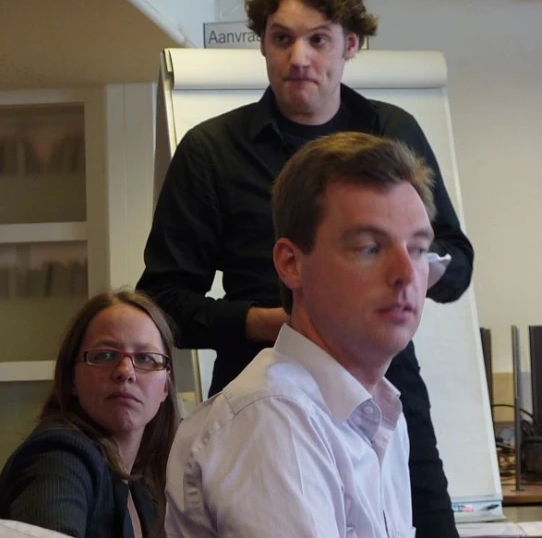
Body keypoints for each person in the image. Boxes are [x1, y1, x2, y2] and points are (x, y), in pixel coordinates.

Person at [138, 0, 474, 537]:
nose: (299, 58)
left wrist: (408, 273)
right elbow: (162, 303)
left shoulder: (391, 131)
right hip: (270, 381)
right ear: (262, 47)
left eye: (318, 40)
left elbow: (458, 261)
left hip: (381, 382)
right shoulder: (211, 150)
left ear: (350, 45)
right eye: (281, 38)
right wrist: (272, 323)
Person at [165, 132, 438, 537]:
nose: (405, 274)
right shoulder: (273, 418)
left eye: (417, 249)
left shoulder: (379, 413)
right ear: (291, 264)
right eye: (369, 247)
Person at [0, 290, 180, 538]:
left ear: (165, 385)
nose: (125, 371)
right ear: (71, 379)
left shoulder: (144, 485)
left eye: (145, 358)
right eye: (105, 355)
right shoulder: (61, 453)